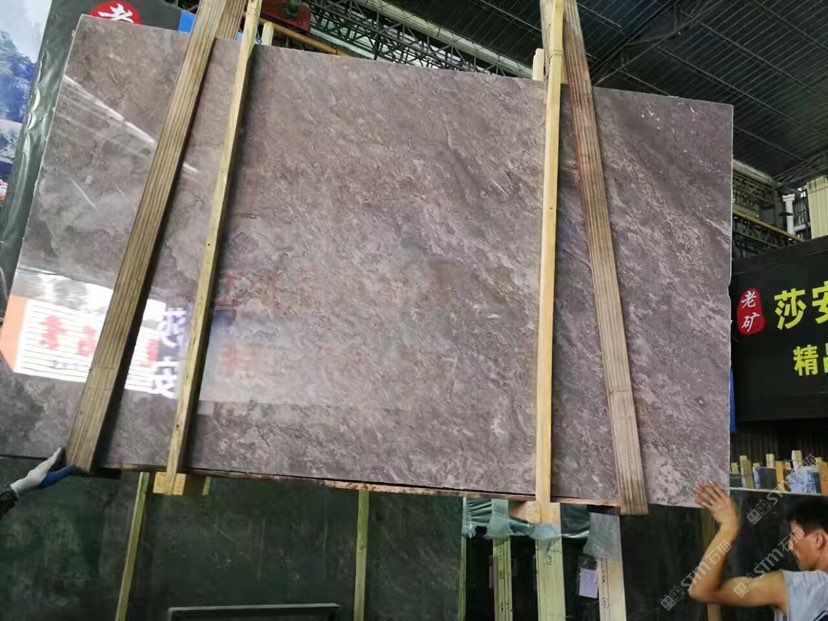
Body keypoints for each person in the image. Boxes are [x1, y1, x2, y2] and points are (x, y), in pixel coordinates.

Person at [690, 481, 828, 621]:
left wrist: (728, 528)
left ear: (818, 540)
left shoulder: (796, 587)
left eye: (794, 535)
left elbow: (702, 590)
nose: (790, 546)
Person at [0, 448, 73, 518]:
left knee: (54, 467)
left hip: (34, 485)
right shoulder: (8, 496)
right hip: (30, 483)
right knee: (51, 465)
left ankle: (65, 464)